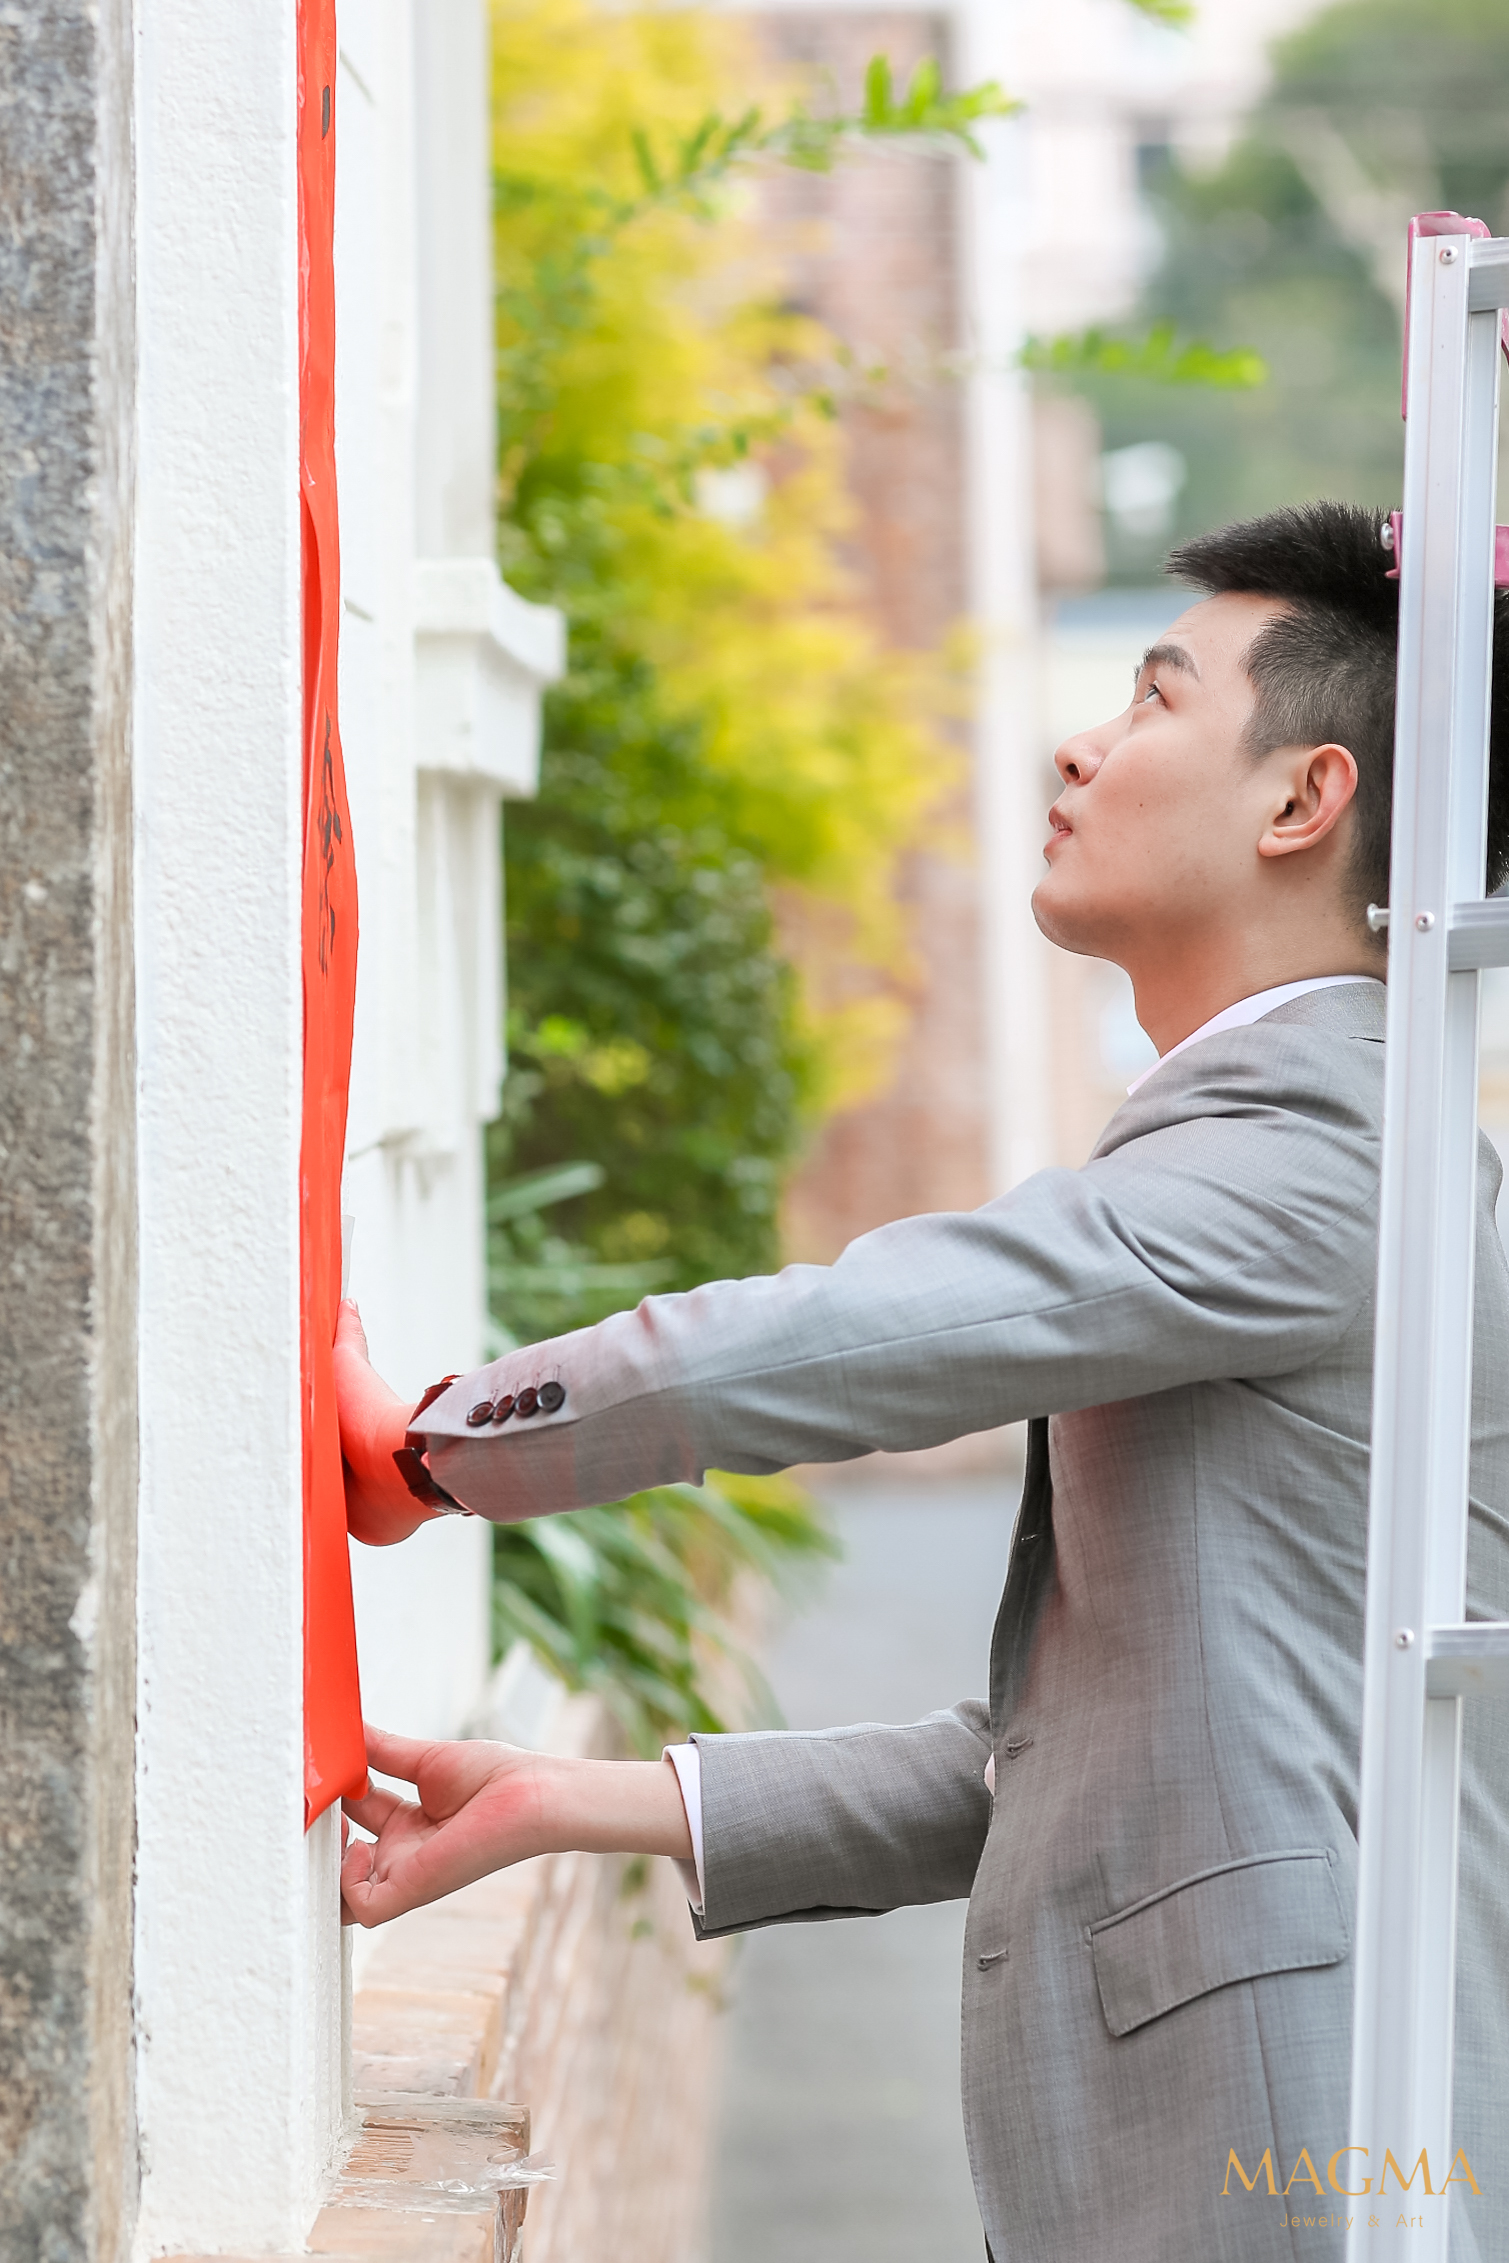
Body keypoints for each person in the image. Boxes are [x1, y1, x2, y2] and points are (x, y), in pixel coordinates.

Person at [333, 503, 1509, 2263]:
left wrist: (439, 1450)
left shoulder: (1321, 1149)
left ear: (1300, 799)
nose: (1078, 745)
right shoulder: (1339, 1130)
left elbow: (868, 1336)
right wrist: (575, 1798)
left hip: (1295, 2158)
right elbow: (1108, 1764)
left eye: (1153, 698)